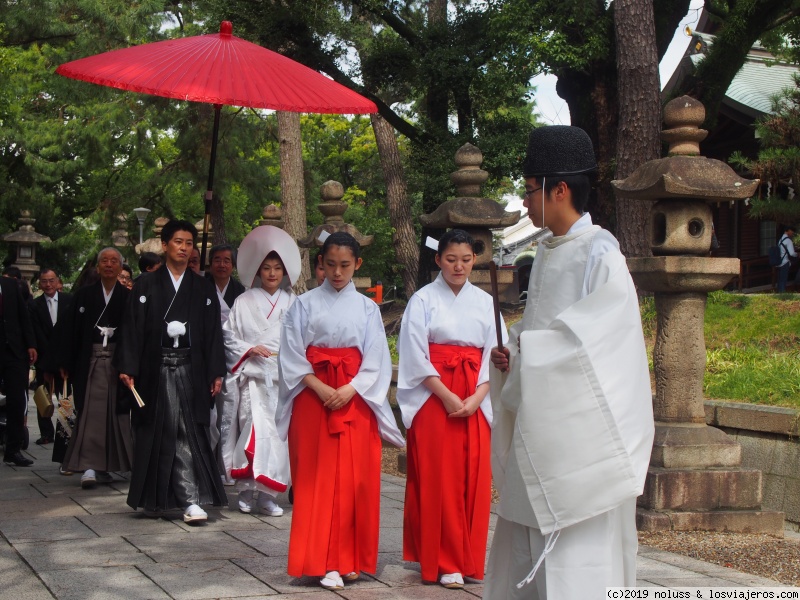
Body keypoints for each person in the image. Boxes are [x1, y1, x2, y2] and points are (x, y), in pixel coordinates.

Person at [484, 126, 654, 599]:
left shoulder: (601, 252)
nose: (524, 199)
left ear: (559, 190)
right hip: (540, 421)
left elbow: (599, 344)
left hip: (580, 436)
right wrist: (513, 352)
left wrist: (530, 356)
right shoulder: (547, 252)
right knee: (526, 540)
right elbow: (541, 329)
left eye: (529, 188)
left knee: (579, 554)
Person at [277, 232, 404, 591]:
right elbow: (290, 353)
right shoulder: (302, 304)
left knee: (354, 480)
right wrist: (319, 387)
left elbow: (376, 358)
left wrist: (349, 388)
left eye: (345, 265)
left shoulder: (366, 308)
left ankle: (349, 559)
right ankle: (318, 560)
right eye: (330, 264)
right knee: (315, 480)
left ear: (357, 265)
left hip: (354, 396)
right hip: (312, 396)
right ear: (320, 263)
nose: (337, 272)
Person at [397, 229, 506, 589]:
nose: (458, 266)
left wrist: (477, 397)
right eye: (450, 259)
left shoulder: (485, 302)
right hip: (433, 396)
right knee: (437, 477)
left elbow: (497, 352)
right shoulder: (423, 300)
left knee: (472, 478)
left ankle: (467, 558)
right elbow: (414, 354)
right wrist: (445, 395)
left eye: (465, 259)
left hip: (475, 394)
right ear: (437, 260)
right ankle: (443, 561)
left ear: (475, 260)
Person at [115, 220, 227, 523]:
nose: (184, 248)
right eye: (178, 242)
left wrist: (216, 371)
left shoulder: (202, 286)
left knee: (188, 431)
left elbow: (212, 332)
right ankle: (181, 498)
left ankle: (187, 498)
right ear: (165, 245)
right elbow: (132, 328)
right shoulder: (146, 284)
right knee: (166, 431)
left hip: (191, 367)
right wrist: (128, 366)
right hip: (157, 368)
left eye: (189, 243)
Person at [221, 226, 301, 516]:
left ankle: (269, 496)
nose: (271, 273)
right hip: (252, 379)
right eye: (266, 268)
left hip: (281, 382)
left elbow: (301, 340)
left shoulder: (293, 303)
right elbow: (228, 336)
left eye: (277, 268)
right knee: (252, 432)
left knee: (278, 438)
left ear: (284, 273)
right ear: (257, 270)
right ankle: (245, 489)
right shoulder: (243, 302)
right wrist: (249, 348)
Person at [60, 248, 133, 488]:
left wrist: (130, 365)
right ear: (98, 267)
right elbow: (70, 331)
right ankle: (88, 466)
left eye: (114, 261)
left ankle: (106, 466)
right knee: (91, 413)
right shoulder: (83, 295)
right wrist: (65, 362)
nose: (109, 265)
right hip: (90, 360)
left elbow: (136, 333)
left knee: (115, 415)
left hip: (117, 361)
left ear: (121, 267)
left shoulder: (128, 296)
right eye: (105, 261)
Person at [29, 268, 73, 448]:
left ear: (58, 282)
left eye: (51, 280)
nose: (48, 284)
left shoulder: (69, 301)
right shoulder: (34, 305)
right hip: (44, 358)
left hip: (64, 357)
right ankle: (46, 433)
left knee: (65, 397)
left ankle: (67, 431)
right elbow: (34, 333)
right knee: (43, 397)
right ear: (40, 283)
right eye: (44, 281)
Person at [1, 275, 37, 466]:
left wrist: (31, 344)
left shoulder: (9, 285)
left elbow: (23, 316)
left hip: (14, 351)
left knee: (17, 399)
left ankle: (13, 449)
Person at [206, 244, 246, 324]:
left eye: (226, 261)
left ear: (233, 266)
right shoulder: (202, 287)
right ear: (210, 264)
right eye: (217, 261)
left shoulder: (240, 290)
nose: (221, 265)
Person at [776, 225, 797, 293]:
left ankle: (779, 293)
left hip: (779, 262)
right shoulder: (788, 241)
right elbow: (792, 253)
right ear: (788, 230)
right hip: (785, 262)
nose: (792, 233)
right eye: (792, 231)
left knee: (780, 279)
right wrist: (797, 254)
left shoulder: (780, 240)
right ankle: (782, 294)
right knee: (783, 279)